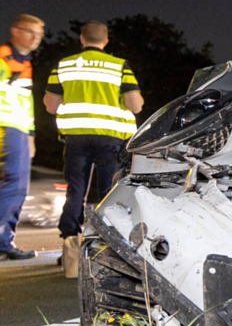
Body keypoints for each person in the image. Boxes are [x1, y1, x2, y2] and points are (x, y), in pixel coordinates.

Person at [44, 20, 143, 276]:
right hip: (110, 139)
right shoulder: (118, 66)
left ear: (81, 38)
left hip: (75, 138)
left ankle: (71, 255)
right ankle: (106, 248)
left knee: (76, 190)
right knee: (108, 192)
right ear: (106, 40)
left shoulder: (64, 65)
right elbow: (135, 105)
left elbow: (51, 105)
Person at [0, 14, 44, 261]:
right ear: (15, 30)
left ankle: (5, 243)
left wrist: (30, 135)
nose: (36, 38)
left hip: (17, 130)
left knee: (18, 188)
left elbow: (26, 104)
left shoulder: (24, 64)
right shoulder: (3, 57)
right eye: (30, 32)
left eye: (39, 34)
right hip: (6, 128)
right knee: (14, 186)